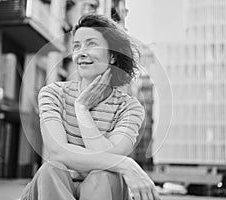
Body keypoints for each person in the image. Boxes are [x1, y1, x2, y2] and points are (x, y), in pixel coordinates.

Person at [21, 14, 160, 200]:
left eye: (91, 44)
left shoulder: (129, 107)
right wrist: (125, 164)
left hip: (104, 190)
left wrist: (82, 110)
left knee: (104, 175)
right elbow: (57, 152)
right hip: (55, 188)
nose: (81, 52)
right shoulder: (53, 93)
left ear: (112, 56)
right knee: (51, 169)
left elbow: (109, 158)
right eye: (77, 46)